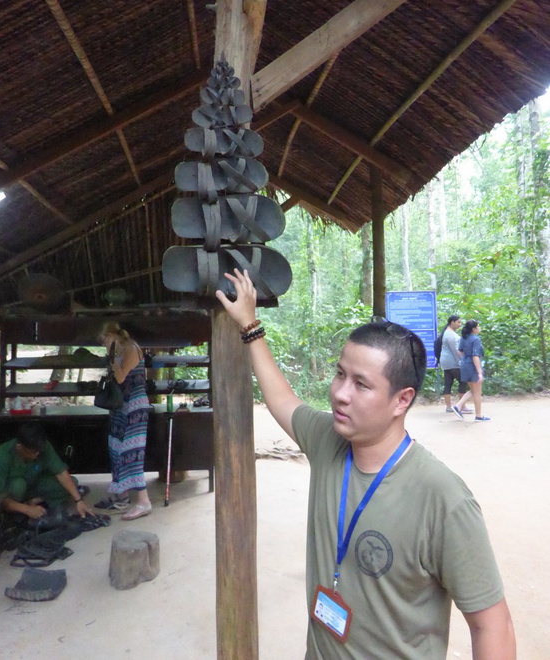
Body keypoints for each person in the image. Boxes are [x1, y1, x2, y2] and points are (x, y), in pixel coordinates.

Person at [216, 269, 515, 659]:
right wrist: (250, 325)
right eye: (340, 374)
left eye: (361, 384)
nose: (339, 393)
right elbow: (283, 400)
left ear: (401, 400)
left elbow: (493, 625)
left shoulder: (442, 498)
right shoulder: (329, 441)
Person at [94, 321, 152, 519]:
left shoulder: (130, 349)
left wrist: (111, 355)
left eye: (104, 340)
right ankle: (122, 496)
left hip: (134, 406)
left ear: (112, 335)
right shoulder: (119, 350)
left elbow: (120, 378)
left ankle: (144, 502)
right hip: (120, 406)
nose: (102, 344)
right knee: (116, 449)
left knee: (131, 453)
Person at [0, 422, 90, 519]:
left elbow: (61, 473)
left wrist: (78, 500)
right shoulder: (1, 456)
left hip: (33, 486)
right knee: (18, 485)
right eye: (33, 452)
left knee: (72, 483)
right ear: (19, 447)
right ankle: (18, 510)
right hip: (12, 492)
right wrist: (26, 509)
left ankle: (33, 501)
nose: (37, 454)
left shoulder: (42, 447)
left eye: (39, 451)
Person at [453, 319, 490, 422]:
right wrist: (479, 372)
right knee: (477, 391)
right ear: (474, 329)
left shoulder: (463, 338)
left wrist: (465, 360)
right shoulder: (476, 339)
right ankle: (477, 415)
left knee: (474, 390)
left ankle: (459, 406)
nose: (479, 328)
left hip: (465, 365)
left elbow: (459, 351)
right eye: (478, 327)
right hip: (473, 366)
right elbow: (475, 356)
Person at [439, 315, 472, 414]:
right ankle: (462, 406)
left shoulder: (447, 333)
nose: (459, 325)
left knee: (448, 383)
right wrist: (463, 361)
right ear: (452, 322)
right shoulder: (450, 335)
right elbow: (456, 350)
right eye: (458, 322)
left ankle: (449, 407)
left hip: (446, 363)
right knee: (463, 382)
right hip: (453, 363)